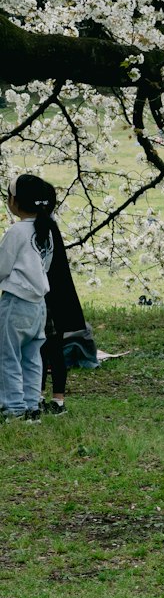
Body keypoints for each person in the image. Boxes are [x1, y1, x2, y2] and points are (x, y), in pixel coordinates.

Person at [0, 174, 55, 422]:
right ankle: (32, 405)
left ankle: (13, 407)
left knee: (8, 355)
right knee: (32, 357)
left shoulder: (17, 231)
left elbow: (3, 266)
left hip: (16, 302)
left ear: (16, 202)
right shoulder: (45, 229)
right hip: (38, 305)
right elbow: (47, 264)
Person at [36, 183, 86, 417]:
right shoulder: (51, 226)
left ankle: (37, 396)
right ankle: (57, 400)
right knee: (54, 350)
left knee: (37, 350)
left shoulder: (32, 229)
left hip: (41, 299)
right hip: (56, 298)